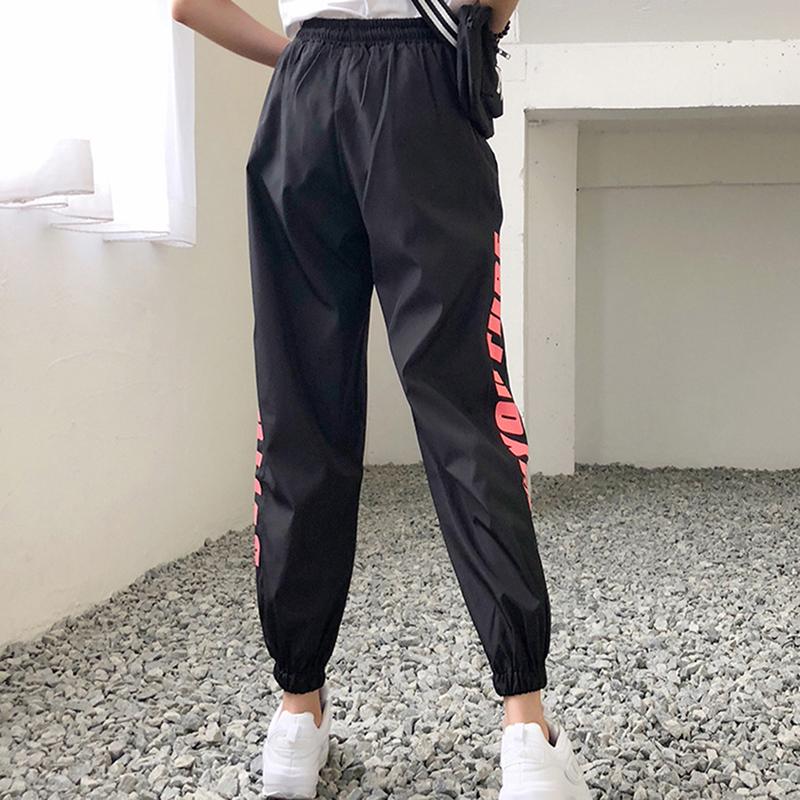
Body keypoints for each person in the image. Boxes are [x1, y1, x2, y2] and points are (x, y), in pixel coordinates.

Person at [171, 0, 592, 797]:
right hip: (423, 80)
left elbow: (189, 4)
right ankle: (525, 729)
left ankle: (297, 718)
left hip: (303, 93)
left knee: (298, 407)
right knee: (465, 405)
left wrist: (304, 62)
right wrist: (487, 28)